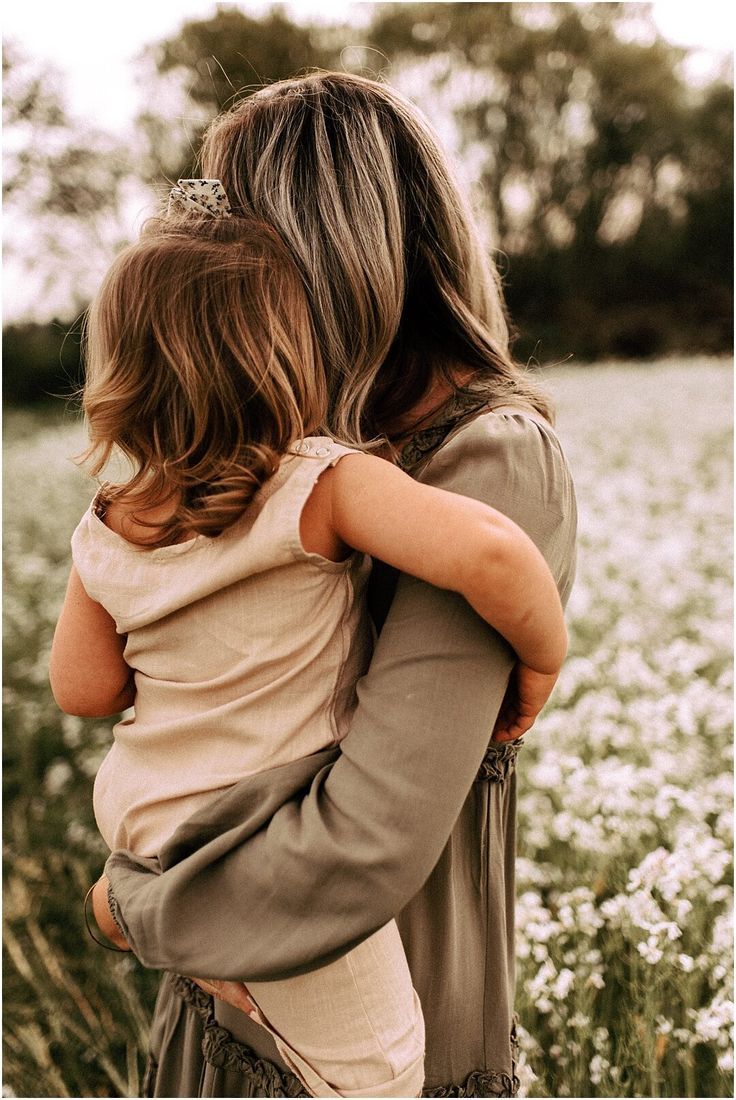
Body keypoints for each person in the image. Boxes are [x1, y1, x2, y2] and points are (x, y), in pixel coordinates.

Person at [91, 72, 577, 1098]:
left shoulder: (483, 457)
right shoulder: (287, 456)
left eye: (242, 244)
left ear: (317, 256)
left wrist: (131, 905)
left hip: (358, 1034)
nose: (220, 284)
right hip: (229, 994)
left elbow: (359, 845)